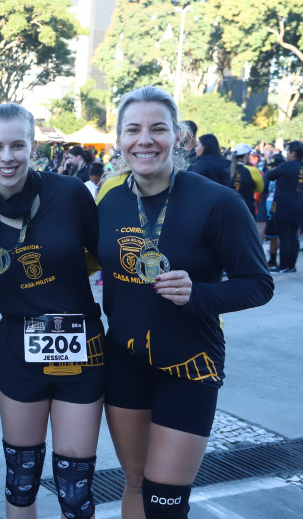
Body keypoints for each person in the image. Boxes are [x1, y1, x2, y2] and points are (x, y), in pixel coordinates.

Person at [97, 86, 273, 518]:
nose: (145, 140)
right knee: (135, 483)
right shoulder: (110, 198)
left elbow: (258, 284)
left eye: (158, 128)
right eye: (133, 130)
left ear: (178, 136)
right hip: (124, 360)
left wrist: (199, 293)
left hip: (190, 364)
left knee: (166, 501)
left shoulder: (218, 202)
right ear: (119, 139)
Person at [0, 103, 105, 519]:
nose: (7, 157)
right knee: (21, 482)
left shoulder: (70, 193)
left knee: (75, 490)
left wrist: (59, 268)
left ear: (33, 148)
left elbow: (99, 258)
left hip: (81, 349)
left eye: (18, 145)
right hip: (17, 352)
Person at [265, 140, 303, 273]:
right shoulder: (300, 166)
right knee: (293, 236)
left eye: (288, 151)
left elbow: (270, 175)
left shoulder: (287, 165)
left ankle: (283, 266)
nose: (286, 154)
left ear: (293, 153)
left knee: (284, 236)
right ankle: (291, 266)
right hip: (299, 205)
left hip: (284, 205)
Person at [228, 143, 264, 217]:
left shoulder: (227, 168)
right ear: (247, 155)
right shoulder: (253, 170)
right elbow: (260, 188)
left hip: (229, 206)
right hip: (247, 207)